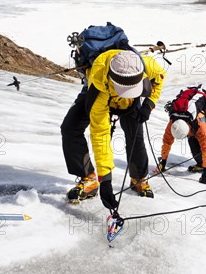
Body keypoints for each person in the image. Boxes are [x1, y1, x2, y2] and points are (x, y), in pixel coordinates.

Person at [61, 49, 165, 208]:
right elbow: (100, 133)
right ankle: (88, 179)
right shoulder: (98, 85)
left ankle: (138, 178)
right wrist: (106, 179)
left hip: (129, 103)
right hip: (100, 91)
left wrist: (149, 104)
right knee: (70, 127)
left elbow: (159, 78)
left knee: (135, 135)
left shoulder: (147, 65)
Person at [156, 87, 206, 184]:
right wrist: (163, 162)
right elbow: (167, 142)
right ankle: (200, 163)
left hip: (205, 123)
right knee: (196, 153)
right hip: (192, 129)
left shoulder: (199, 122)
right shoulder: (173, 124)